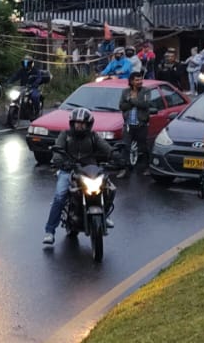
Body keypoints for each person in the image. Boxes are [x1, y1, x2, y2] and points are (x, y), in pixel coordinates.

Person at [43, 107, 118, 246]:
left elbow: (106, 147)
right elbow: (58, 148)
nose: (79, 125)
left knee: (110, 188)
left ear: (88, 125)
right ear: (72, 123)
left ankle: (105, 215)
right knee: (59, 196)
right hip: (69, 170)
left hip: (90, 170)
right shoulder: (65, 135)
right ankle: (49, 231)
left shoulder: (93, 136)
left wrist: (115, 155)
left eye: (82, 123)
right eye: (77, 123)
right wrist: (58, 159)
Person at [118, 73, 154, 175]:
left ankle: (146, 168)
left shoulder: (146, 91)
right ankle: (125, 169)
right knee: (126, 147)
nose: (139, 82)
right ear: (131, 81)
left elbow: (145, 104)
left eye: (140, 80)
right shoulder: (125, 92)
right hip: (128, 125)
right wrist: (132, 102)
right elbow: (121, 106)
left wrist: (131, 100)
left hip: (141, 124)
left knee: (143, 147)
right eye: (137, 80)